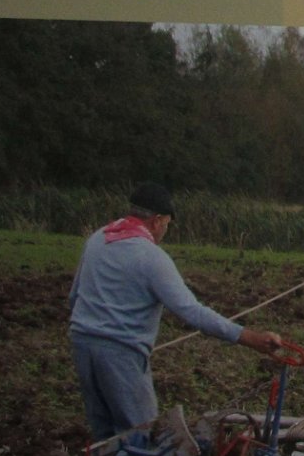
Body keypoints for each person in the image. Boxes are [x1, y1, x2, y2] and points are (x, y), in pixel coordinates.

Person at [69, 181, 286, 439]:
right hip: (121, 355)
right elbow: (191, 312)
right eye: (168, 224)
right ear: (157, 221)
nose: (165, 231)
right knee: (142, 437)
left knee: (104, 436)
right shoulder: (151, 257)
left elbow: (75, 297)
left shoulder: (97, 239)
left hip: (81, 344)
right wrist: (250, 337)